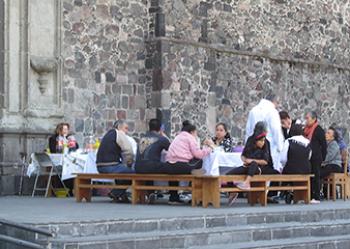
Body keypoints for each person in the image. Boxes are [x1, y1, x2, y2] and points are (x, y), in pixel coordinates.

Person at [165, 120, 214, 204]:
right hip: (180, 166)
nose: (196, 135)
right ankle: (194, 192)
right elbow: (198, 154)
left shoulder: (178, 137)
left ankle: (173, 197)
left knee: (175, 170)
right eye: (196, 133)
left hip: (169, 165)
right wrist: (210, 148)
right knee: (199, 161)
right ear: (192, 132)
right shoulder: (190, 138)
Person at [228, 122, 277, 192]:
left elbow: (265, 161)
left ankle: (270, 195)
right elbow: (243, 155)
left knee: (274, 173)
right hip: (249, 167)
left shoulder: (265, 142)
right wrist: (245, 160)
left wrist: (250, 161)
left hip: (261, 167)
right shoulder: (250, 140)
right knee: (228, 175)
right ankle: (232, 192)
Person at [245, 93, 285, 172]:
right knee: (269, 175)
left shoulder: (253, 110)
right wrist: (281, 148)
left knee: (256, 173)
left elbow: (248, 131)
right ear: (274, 101)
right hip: (270, 149)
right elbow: (276, 131)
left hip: (254, 148)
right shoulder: (272, 111)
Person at [96, 125, 135, 203]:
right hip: (111, 166)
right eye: (126, 128)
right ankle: (116, 192)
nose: (127, 131)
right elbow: (128, 151)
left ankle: (120, 194)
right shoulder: (119, 133)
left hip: (100, 166)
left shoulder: (108, 134)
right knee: (135, 173)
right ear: (119, 127)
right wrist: (129, 163)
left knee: (123, 171)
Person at [304, 111, 327, 204]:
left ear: (314, 119)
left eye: (308, 118)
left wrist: (323, 158)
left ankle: (316, 196)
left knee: (316, 176)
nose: (306, 120)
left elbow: (324, 145)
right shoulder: (305, 130)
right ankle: (308, 195)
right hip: (307, 157)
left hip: (316, 157)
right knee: (308, 176)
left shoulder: (318, 130)